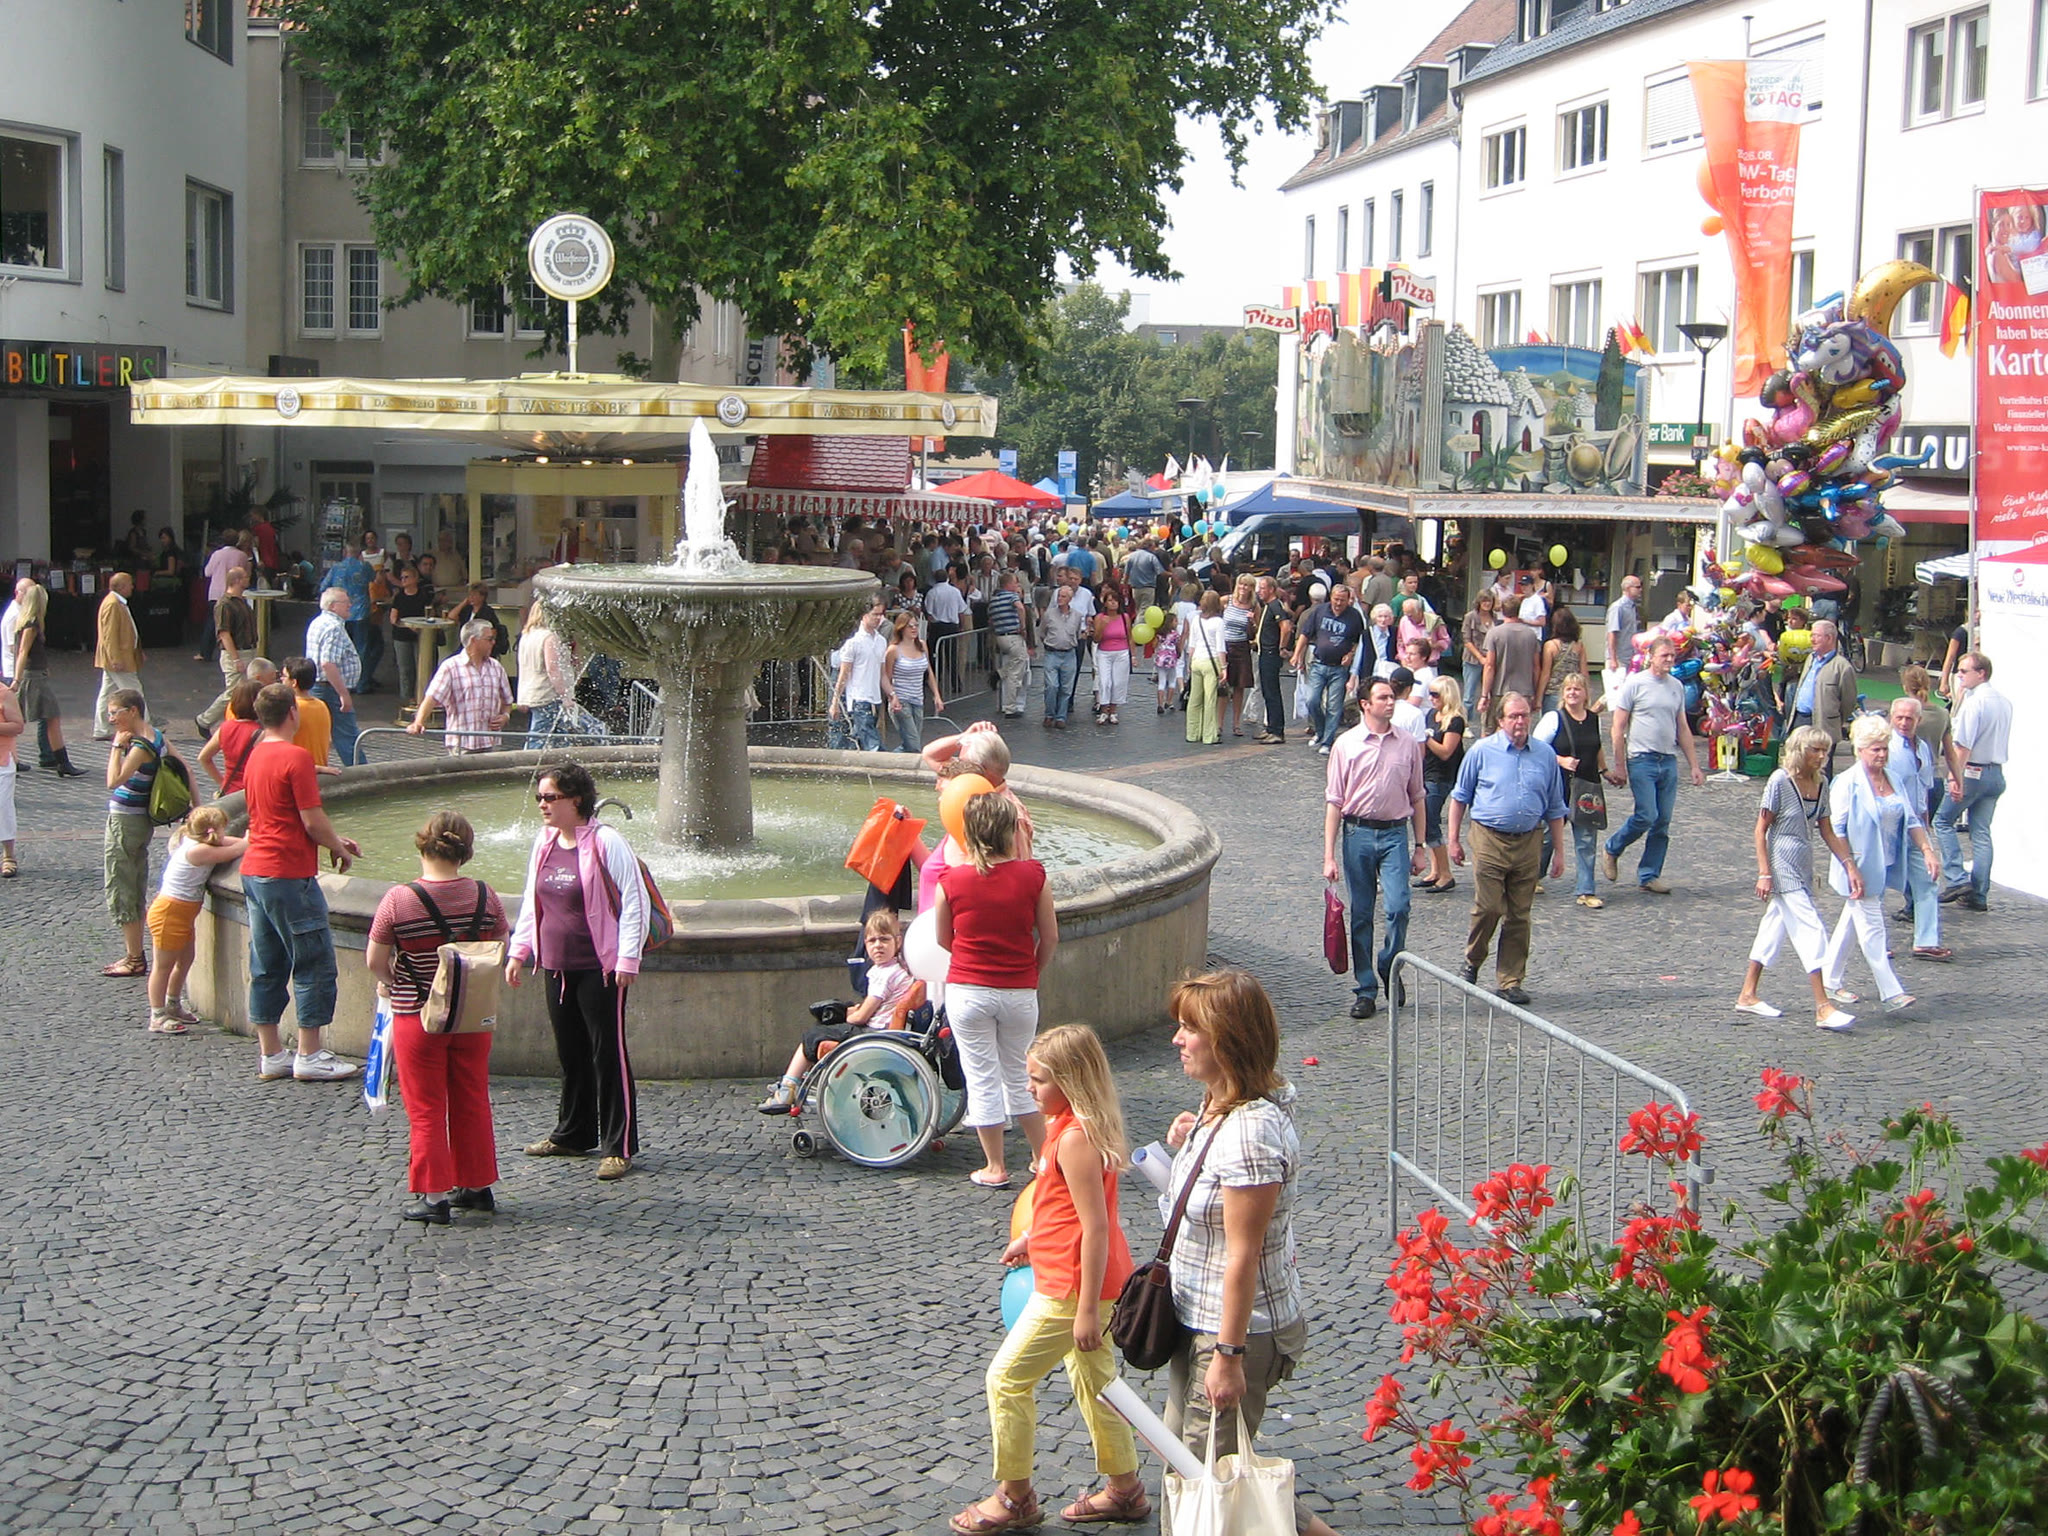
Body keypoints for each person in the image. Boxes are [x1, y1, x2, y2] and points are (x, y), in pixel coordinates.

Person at [1158, 970, 1340, 1536]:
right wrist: (1191, 1142)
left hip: (1232, 1330)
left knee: (1203, 1483)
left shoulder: (1250, 1133)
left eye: (1190, 1028)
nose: (1176, 1039)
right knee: (1211, 1473)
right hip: (1200, 1318)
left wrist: (1229, 1356)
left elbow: (1243, 1255)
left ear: (1228, 1040)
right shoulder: (1221, 1103)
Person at [954, 1025, 1142, 1536]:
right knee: (1096, 1385)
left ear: (1071, 1081)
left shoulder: (1075, 1137)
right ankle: (1125, 1488)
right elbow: (1061, 1209)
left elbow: (1095, 1227)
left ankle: (1014, 1497)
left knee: (1006, 1379)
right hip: (1075, 1279)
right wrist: (1030, 1238)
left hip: (1071, 1288)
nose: (1029, 1088)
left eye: (1038, 1080)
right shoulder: (1066, 1126)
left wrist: (1085, 1310)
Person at [366, 811, 511, 1224]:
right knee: (472, 1098)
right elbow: (500, 947)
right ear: (465, 850)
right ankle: (477, 1187)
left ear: (422, 844)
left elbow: (375, 959)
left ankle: (434, 1197)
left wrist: (391, 982)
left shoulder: (399, 899)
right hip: (471, 1016)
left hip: (417, 1014)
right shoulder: (485, 895)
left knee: (427, 1106)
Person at [506, 761, 648, 1180]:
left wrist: (627, 958)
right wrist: (519, 951)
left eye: (550, 797)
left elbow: (634, 901)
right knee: (571, 1053)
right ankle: (573, 1133)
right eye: (539, 797)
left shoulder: (607, 841)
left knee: (608, 1054)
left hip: (599, 966)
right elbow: (532, 900)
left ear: (576, 799)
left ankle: (618, 1146)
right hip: (555, 963)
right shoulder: (544, 841)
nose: (542, 805)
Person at [238, 683, 363, 1079]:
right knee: (314, 962)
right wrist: (337, 847)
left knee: (266, 962)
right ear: (293, 713)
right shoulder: (297, 757)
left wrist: (334, 838)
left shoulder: (257, 754)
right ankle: (310, 1054)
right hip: (289, 874)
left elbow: (281, 816)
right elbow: (311, 819)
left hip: (255, 871)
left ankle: (271, 1053)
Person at [933, 791, 1055, 1189]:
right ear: (1009, 830)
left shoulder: (950, 880)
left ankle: (995, 1167)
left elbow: (943, 939)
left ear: (968, 832)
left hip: (968, 990)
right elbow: (1050, 937)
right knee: (1022, 1074)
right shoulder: (1034, 876)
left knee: (981, 1075)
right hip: (1019, 989)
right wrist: (1031, 970)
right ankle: (1041, 1158)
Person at [1735, 727, 1861, 1030]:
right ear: (1800, 750)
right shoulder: (1780, 781)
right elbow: (1760, 829)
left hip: (1803, 864)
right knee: (1810, 928)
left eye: (1825, 750)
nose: (1821, 756)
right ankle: (1822, 1006)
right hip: (1781, 866)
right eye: (1815, 750)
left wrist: (1849, 865)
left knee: (1773, 928)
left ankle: (1748, 994)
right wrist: (1764, 872)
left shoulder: (1822, 783)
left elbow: (1826, 829)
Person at [1447, 693, 1568, 1005]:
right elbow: (1460, 796)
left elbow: (1555, 806)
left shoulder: (1544, 755)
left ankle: (1510, 980)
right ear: (1500, 720)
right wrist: (1453, 839)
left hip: (1529, 839)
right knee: (1489, 907)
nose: (1520, 721)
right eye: (1514, 716)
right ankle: (1473, 959)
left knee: (1519, 913)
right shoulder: (1482, 751)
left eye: (1525, 715)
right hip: (1489, 837)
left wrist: (1559, 851)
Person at [1821, 716, 1941, 1015]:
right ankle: (1891, 991)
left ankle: (1829, 979)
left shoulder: (1893, 778)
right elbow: (1836, 830)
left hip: (1884, 863)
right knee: (1872, 928)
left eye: (1885, 748)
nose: (1882, 754)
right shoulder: (1847, 783)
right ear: (1860, 750)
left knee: (1852, 922)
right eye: (1875, 749)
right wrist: (1850, 867)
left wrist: (1927, 849)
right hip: (1857, 864)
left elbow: (1911, 819)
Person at [1322, 678, 1426, 1020]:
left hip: (1395, 834)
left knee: (1399, 907)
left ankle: (1389, 964)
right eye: (1383, 698)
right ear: (1365, 704)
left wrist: (1420, 845)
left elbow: (1418, 796)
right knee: (1362, 913)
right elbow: (1334, 801)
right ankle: (1365, 988)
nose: (1390, 702)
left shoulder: (1407, 743)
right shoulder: (1346, 745)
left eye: (1392, 697)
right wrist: (1329, 855)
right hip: (1358, 834)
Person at [757, 910, 914, 1112]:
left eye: (884, 939)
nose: (877, 945)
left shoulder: (884, 975)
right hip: (886, 1030)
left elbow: (862, 1017)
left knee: (813, 1035)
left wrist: (848, 1016)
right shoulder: (899, 969)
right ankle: (797, 1078)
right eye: (872, 941)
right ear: (865, 945)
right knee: (828, 1022)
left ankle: (788, 1087)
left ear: (897, 942)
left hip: (874, 1034)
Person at [1600, 635, 1704, 894]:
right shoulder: (1635, 684)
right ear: (1651, 657)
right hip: (1641, 759)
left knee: (1663, 821)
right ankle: (1613, 847)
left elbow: (1682, 727)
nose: (1669, 660)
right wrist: (1620, 764)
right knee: (1646, 815)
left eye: (1672, 656)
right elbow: (1618, 727)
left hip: (1667, 759)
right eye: (1664, 655)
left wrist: (1694, 765)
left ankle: (1649, 874)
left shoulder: (1676, 686)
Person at [144, 806, 245, 1034]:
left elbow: (228, 842)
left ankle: (173, 1003)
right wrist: (250, 840)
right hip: (170, 912)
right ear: (212, 830)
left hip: (183, 912)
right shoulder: (198, 851)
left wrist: (235, 839)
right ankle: (157, 1015)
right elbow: (236, 849)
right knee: (163, 966)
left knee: (186, 959)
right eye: (222, 828)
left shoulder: (197, 841)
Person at [1935, 651, 2011, 912]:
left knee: (1942, 821)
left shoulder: (1975, 703)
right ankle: (1979, 893)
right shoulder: (2003, 702)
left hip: (1972, 771)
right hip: (1995, 772)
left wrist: (1955, 778)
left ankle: (1957, 878)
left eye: (1964, 671)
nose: (1959, 675)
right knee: (1981, 833)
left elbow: (1963, 747)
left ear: (1981, 673)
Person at [100, 689, 165, 978]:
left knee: (122, 885)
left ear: (133, 711)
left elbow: (113, 780)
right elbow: (184, 766)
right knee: (134, 883)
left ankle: (135, 958)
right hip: (139, 821)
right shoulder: (156, 735)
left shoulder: (139, 745)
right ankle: (134, 953)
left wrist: (116, 747)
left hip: (126, 822)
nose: (111, 718)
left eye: (116, 712)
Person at [1884, 696, 1950, 962]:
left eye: (1909, 718)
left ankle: (1926, 941)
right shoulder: (1885, 748)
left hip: (1914, 826)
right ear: (1891, 718)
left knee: (1927, 881)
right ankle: (1875, 942)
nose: (1903, 722)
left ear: (1918, 720)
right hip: (1888, 826)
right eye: (1899, 717)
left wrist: (1925, 825)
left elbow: (1923, 790)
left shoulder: (1922, 748)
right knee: (1875, 886)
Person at [1534, 674, 1606, 909]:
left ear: (1585, 693)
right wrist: (1560, 760)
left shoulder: (1594, 719)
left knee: (1586, 839)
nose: (1573, 693)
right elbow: (1535, 749)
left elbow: (1597, 747)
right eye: (1569, 689)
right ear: (1563, 694)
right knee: (1547, 835)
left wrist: (1605, 770)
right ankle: (1533, 876)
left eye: (1577, 689)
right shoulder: (1553, 719)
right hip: (1558, 786)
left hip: (1587, 786)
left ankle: (1586, 890)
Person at [9, 580, 84, 775]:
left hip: (35, 674)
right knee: (49, 717)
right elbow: (23, 652)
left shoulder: (26, 622)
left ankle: (61, 762)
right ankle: (62, 762)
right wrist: (16, 680)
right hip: (33, 678)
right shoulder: (32, 624)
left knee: (46, 718)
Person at [411, 618, 514, 754]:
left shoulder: (496, 667)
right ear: (473, 640)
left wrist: (505, 716)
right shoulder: (451, 667)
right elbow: (432, 697)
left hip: (491, 742)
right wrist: (418, 722)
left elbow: (507, 700)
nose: (493, 642)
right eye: (489, 639)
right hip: (462, 744)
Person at [1291, 583, 1365, 755]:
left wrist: (1351, 654)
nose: (1338, 603)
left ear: (1348, 600)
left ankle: (1327, 740)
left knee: (1334, 706)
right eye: (1336, 599)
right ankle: (1320, 729)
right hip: (1318, 663)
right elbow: (1305, 634)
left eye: (1342, 600)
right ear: (1330, 597)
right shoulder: (1320, 611)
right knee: (1311, 700)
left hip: (1339, 668)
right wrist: (1296, 654)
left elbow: (1359, 641)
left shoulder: (1354, 616)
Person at [1789, 619, 1858, 770]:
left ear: (1829, 638)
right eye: (1811, 635)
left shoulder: (1842, 667)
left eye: (1816, 636)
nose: (1812, 639)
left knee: (1820, 768)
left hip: (1823, 724)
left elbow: (1848, 702)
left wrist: (1833, 719)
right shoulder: (1810, 658)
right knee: (1797, 763)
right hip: (1800, 719)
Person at [1419, 676, 1466, 895]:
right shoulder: (1431, 714)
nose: (1431, 698)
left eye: (1435, 694)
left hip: (1441, 776)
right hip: (1427, 771)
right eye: (1430, 693)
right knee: (1426, 821)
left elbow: (1446, 752)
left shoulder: (1455, 721)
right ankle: (1435, 870)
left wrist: (1426, 738)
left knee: (1430, 821)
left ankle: (1446, 873)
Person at [306, 588, 364, 768]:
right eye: (345, 602)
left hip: (318, 685)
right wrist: (343, 694)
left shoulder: (318, 622)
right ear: (332, 606)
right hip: (330, 688)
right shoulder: (334, 628)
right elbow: (328, 663)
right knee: (347, 736)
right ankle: (362, 774)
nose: (350, 605)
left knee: (320, 733)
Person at [198, 565, 257, 735]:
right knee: (233, 692)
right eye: (245, 577)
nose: (248, 579)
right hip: (236, 652)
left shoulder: (241, 601)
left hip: (248, 650)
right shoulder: (224, 604)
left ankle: (241, 721)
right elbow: (224, 633)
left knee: (245, 690)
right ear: (237, 581)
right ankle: (205, 720)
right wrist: (236, 658)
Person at [93, 572, 147, 741]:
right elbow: (109, 635)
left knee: (107, 692)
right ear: (122, 587)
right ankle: (144, 727)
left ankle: (101, 729)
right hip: (119, 658)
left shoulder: (116, 602)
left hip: (118, 656)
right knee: (134, 691)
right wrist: (115, 658)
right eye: (130, 584)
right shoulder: (113, 604)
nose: (132, 587)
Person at [517, 596, 575, 751]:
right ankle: (533, 762)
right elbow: (553, 668)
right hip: (548, 695)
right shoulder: (549, 637)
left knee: (544, 734)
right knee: (545, 737)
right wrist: (565, 695)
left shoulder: (526, 635)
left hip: (532, 692)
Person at [883, 609, 943, 754]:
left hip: (918, 699)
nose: (914, 629)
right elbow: (887, 677)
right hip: (901, 700)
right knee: (914, 744)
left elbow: (929, 672)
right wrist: (892, 697)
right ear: (901, 628)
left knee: (910, 744)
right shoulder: (893, 650)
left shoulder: (922, 645)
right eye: (910, 626)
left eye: (916, 625)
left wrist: (936, 695)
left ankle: (887, 761)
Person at [1480, 596, 1543, 733]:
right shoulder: (1531, 635)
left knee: (1490, 730)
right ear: (1519, 611)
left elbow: (1489, 666)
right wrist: (1536, 694)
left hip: (1499, 690)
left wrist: (1484, 694)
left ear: (1502, 611)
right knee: (1520, 730)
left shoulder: (1494, 633)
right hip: (1524, 691)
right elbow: (1536, 667)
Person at [197, 678, 267, 798]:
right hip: (252, 792)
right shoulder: (261, 734)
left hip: (229, 792)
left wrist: (222, 783)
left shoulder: (225, 728)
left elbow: (203, 758)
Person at [986, 570, 1032, 720]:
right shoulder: (1011, 596)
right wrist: (1023, 627)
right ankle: (1010, 707)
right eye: (1015, 582)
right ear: (1008, 584)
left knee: (1016, 664)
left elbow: (991, 619)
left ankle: (999, 674)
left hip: (1001, 637)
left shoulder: (993, 600)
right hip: (1013, 635)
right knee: (1016, 673)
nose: (1017, 585)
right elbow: (1020, 607)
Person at [1252, 575, 1292, 745]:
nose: (1259, 591)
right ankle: (1271, 728)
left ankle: (1277, 730)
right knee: (1267, 692)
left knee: (1272, 692)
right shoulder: (1268, 606)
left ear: (1271, 589)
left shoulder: (1275, 606)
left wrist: (1281, 647)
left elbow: (1286, 627)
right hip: (1264, 652)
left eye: (1262, 588)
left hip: (1270, 654)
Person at [1184, 591, 1227, 746]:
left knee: (1194, 699)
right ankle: (1209, 735)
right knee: (1210, 699)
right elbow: (1220, 648)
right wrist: (1224, 667)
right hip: (1211, 661)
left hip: (1196, 660)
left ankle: (1192, 733)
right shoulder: (1218, 622)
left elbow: (1192, 645)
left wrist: (1190, 663)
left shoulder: (1196, 620)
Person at [389, 563, 434, 707]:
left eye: (407, 577)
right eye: (402, 577)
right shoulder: (399, 597)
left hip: (421, 636)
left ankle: (422, 696)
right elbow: (393, 618)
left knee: (422, 667)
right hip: (402, 636)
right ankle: (407, 699)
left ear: (415, 578)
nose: (403, 580)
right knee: (405, 668)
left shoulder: (423, 595)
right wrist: (408, 626)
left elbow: (430, 615)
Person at [1219, 574, 1257, 738]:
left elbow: (1254, 632)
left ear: (1251, 588)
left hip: (1241, 647)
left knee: (1239, 688)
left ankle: (1236, 723)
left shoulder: (1253, 606)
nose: (1243, 588)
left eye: (1247, 585)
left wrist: (1252, 622)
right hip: (1225, 646)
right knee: (1223, 687)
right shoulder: (1226, 601)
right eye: (1241, 584)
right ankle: (1219, 724)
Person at [924, 565, 971, 695]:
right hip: (951, 626)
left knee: (935, 654)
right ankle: (956, 683)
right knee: (952, 656)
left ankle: (934, 680)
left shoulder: (932, 593)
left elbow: (929, 613)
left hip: (937, 626)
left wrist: (929, 627)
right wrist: (961, 626)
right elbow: (961, 611)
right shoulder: (955, 591)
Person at [1090, 587, 1132, 726]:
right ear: (1105, 603)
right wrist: (1102, 626)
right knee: (1105, 681)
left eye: (1116, 601)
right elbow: (1096, 639)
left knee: (1118, 682)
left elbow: (1130, 637)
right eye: (1110, 600)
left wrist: (1133, 656)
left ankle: (1113, 711)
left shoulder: (1124, 617)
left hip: (1121, 652)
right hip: (1104, 652)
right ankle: (1103, 710)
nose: (1113, 603)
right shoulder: (1100, 617)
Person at [284, 656, 335, 769]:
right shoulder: (322, 705)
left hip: (299, 769)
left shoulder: (291, 709)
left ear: (294, 682)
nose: (282, 680)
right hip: (320, 768)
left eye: (284, 677)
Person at [1537, 607, 1587, 716]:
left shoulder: (1550, 645)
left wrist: (1539, 698)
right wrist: (1586, 694)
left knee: (1551, 722)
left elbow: (1546, 674)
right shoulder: (1579, 646)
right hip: (1572, 692)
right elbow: (1584, 673)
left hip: (1552, 693)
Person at [1461, 590, 1499, 716]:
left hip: (1491, 659)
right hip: (1472, 659)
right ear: (1479, 602)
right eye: (1484, 601)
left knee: (1489, 693)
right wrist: (1480, 658)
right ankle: (1465, 721)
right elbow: (1467, 641)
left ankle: (1488, 719)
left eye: (1489, 601)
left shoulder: (1495, 617)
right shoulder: (1470, 617)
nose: (1487, 604)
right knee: (1469, 695)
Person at [0, 670, 20, 878]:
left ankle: (8, 855)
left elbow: (17, 726)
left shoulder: (4, 693)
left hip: (2, 759)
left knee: (2, 807)